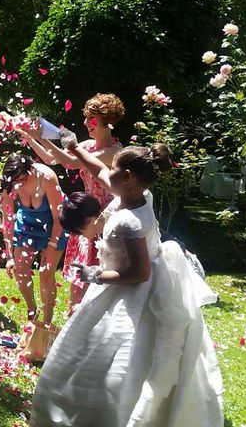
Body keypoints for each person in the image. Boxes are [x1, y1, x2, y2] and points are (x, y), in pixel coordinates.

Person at [29, 137, 224, 426]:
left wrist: (95, 274)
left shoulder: (127, 221)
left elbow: (139, 273)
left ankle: (112, 412)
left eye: (115, 169)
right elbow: (98, 169)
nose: (108, 174)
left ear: (128, 177)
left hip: (133, 291)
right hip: (133, 280)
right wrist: (75, 149)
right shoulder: (137, 195)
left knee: (119, 352)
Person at [17, 93, 124, 313]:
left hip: (104, 220)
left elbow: (73, 162)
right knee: (78, 287)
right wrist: (33, 137)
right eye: (86, 118)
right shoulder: (88, 145)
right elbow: (53, 159)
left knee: (97, 288)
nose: (86, 123)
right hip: (86, 218)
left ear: (107, 121)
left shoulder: (114, 152)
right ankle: (76, 327)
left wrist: (60, 142)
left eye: (92, 119)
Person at [0, 154, 67, 325]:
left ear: (30, 169)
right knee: (20, 270)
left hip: (54, 224)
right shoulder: (10, 182)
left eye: (23, 178)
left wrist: (51, 246)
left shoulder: (46, 177)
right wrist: (9, 256)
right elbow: (7, 219)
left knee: (46, 273)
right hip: (27, 224)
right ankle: (32, 312)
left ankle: (47, 321)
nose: (20, 183)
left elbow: (59, 217)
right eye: (17, 181)